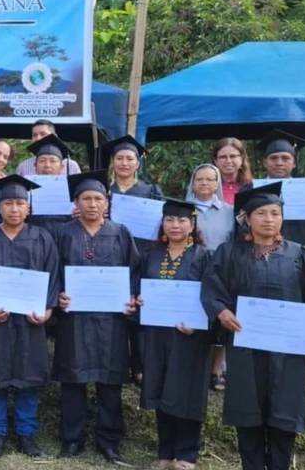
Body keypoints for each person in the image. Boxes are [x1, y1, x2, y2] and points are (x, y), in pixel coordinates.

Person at [201, 182, 305, 470]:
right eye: (262, 213)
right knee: (247, 410)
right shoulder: (229, 252)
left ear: (282, 218)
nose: (269, 219)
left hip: (287, 350)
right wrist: (222, 311)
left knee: (284, 410)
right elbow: (211, 290)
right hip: (244, 347)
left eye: (275, 213)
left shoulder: (298, 254)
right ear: (247, 219)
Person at [54, 170, 139, 465]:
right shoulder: (64, 233)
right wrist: (58, 297)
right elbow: (52, 273)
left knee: (109, 381)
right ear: (76, 202)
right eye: (86, 198)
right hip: (74, 319)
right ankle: (72, 439)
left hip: (111, 321)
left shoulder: (121, 233)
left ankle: (109, 440)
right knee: (73, 381)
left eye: (98, 199)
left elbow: (134, 272)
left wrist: (131, 299)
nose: (92, 204)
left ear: (107, 202)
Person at [0, 174, 60, 459]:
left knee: (28, 377)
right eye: (8, 203)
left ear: (29, 208)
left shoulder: (42, 237)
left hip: (30, 322)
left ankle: (27, 435)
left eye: (19, 203)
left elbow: (53, 277)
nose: (14, 209)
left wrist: (48, 309)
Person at [136, 199, 213, 470]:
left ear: (192, 225)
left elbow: (214, 297)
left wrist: (200, 323)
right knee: (161, 390)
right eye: (170, 220)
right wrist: (139, 302)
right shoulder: (151, 254)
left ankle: (187, 454)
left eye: (182, 221)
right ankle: (165, 452)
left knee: (187, 393)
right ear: (163, 224)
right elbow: (138, 290)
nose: (175, 225)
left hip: (190, 337)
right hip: (157, 336)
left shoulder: (205, 257)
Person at [101, 135, 163, 385]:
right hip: (111, 257)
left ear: (138, 163)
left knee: (139, 310)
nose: (124, 163)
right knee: (116, 313)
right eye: (119, 158)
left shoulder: (151, 191)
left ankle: (139, 365)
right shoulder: (104, 191)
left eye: (130, 158)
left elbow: (161, 226)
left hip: (143, 255)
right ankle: (116, 362)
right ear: (112, 162)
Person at [241, 130, 305, 259]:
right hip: (256, 257)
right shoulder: (250, 190)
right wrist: (242, 220)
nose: (279, 163)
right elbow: (238, 229)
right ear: (265, 162)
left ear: (294, 163)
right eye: (273, 158)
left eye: (285, 158)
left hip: (297, 257)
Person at [185, 163, 234, 392]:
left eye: (210, 179)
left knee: (219, 321)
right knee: (195, 318)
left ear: (217, 183)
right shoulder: (183, 210)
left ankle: (217, 369)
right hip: (191, 270)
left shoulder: (230, 211)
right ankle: (196, 367)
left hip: (222, 271)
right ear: (192, 183)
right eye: (199, 179)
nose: (204, 183)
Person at [26, 134, 76, 237]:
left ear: (62, 167)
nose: (47, 165)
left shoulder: (74, 190)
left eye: (53, 161)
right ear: (35, 166)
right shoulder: (25, 189)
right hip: (33, 239)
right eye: (42, 161)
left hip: (64, 238)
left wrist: (80, 213)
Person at [15, 119, 81, 176]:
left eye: (43, 134)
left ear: (54, 136)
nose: (38, 138)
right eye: (35, 135)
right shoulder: (23, 167)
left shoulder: (71, 166)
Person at [212, 137, 252, 205]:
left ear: (241, 158)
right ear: (216, 161)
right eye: (223, 157)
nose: (228, 161)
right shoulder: (208, 187)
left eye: (233, 156)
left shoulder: (253, 187)